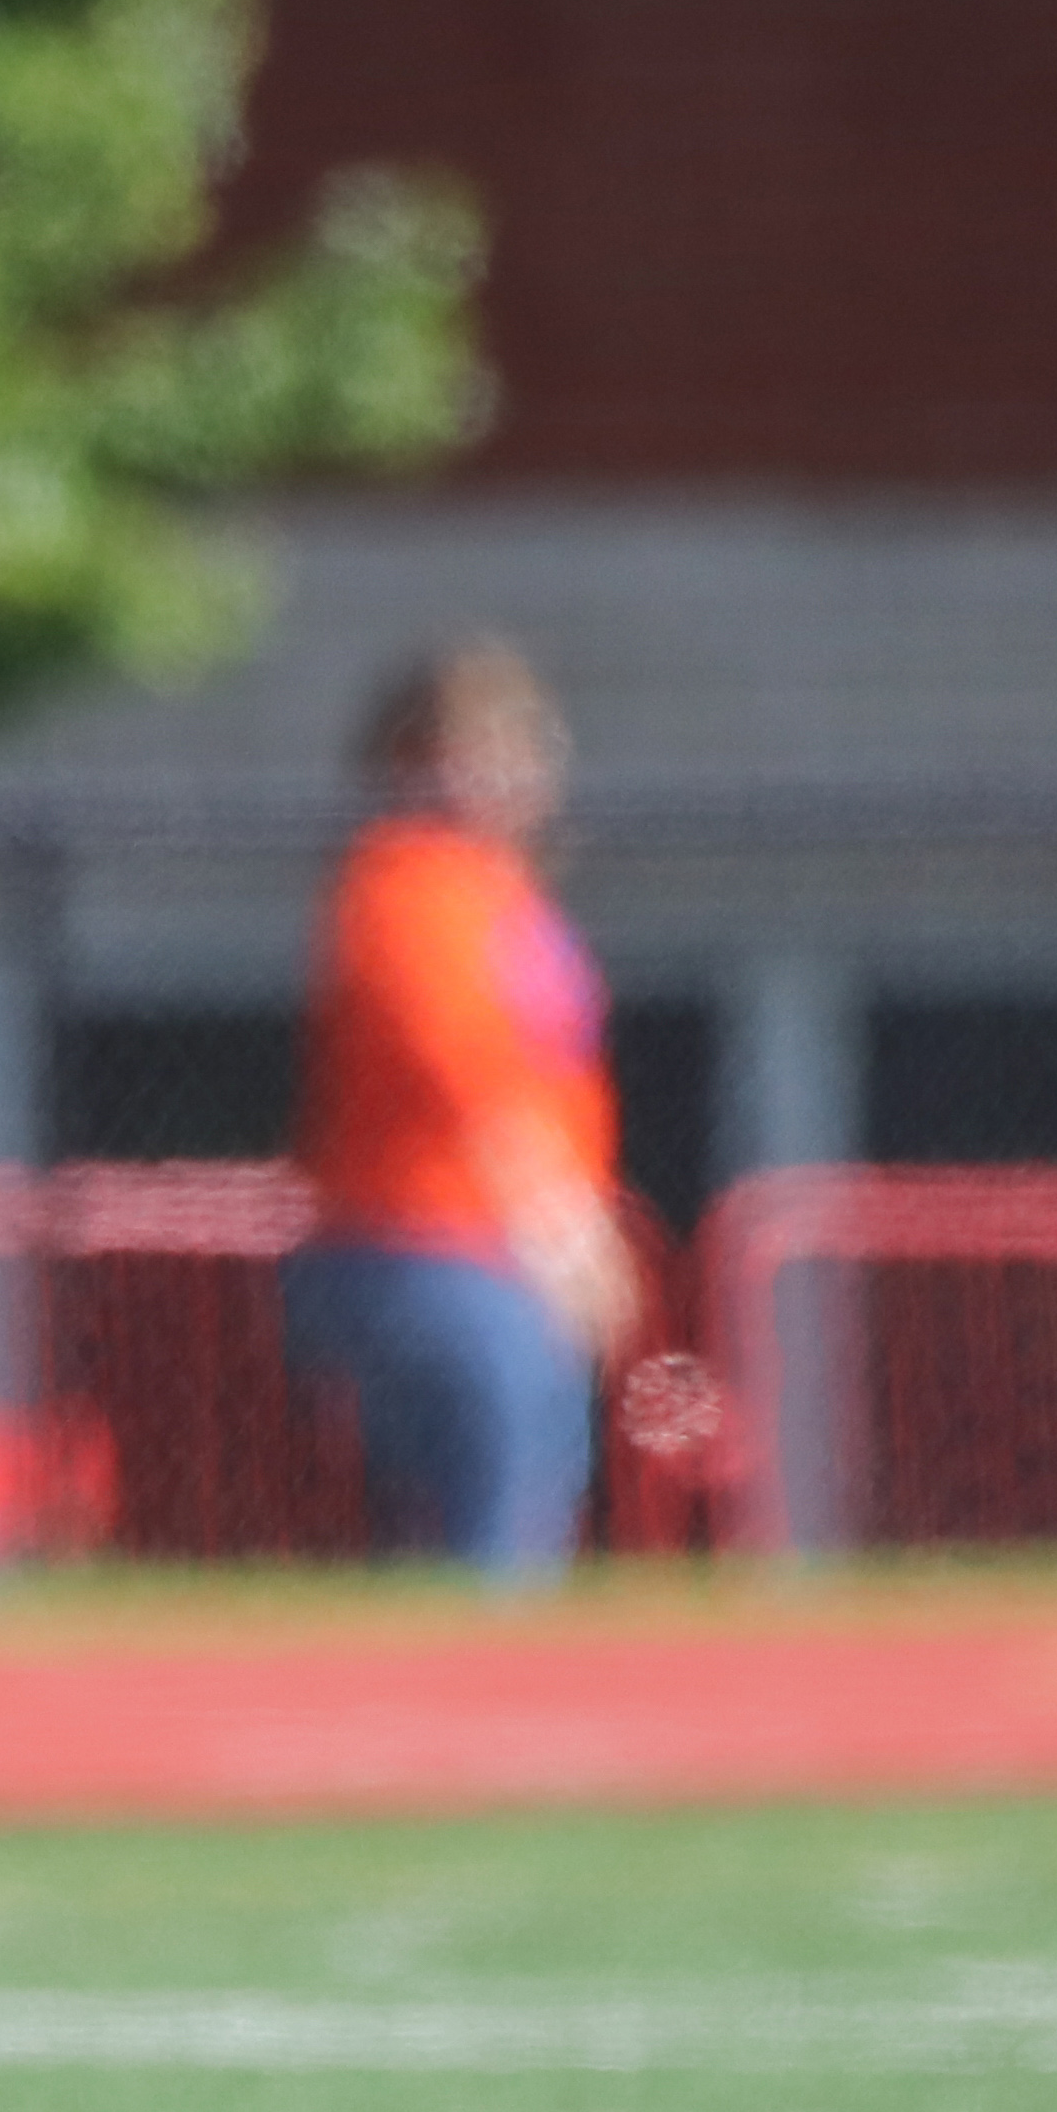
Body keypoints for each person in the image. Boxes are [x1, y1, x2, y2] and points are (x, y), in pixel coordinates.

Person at [281, 639, 632, 1579]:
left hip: (499, 1249)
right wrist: (564, 1236)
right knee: (491, 1526)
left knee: (531, 1504)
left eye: (522, 742)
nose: (508, 770)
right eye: (471, 747)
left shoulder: (498, 889)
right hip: (431, 1243)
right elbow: (464, 1073)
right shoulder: (410, 882)